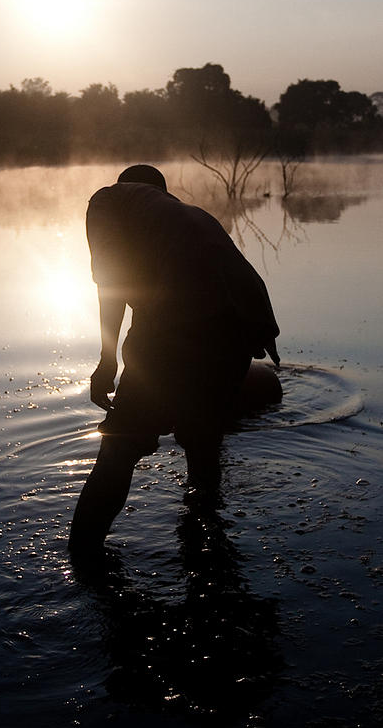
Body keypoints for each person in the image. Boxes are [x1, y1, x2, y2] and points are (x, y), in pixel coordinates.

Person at [69, 165, 280, 554]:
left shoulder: (108, 200)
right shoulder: (184, 217)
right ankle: (207, 551)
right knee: (203, 442)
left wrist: (108, 361)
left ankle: (83, 559)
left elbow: (113, 284)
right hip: (244, 324)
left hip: (186, 318)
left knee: (120, 447)